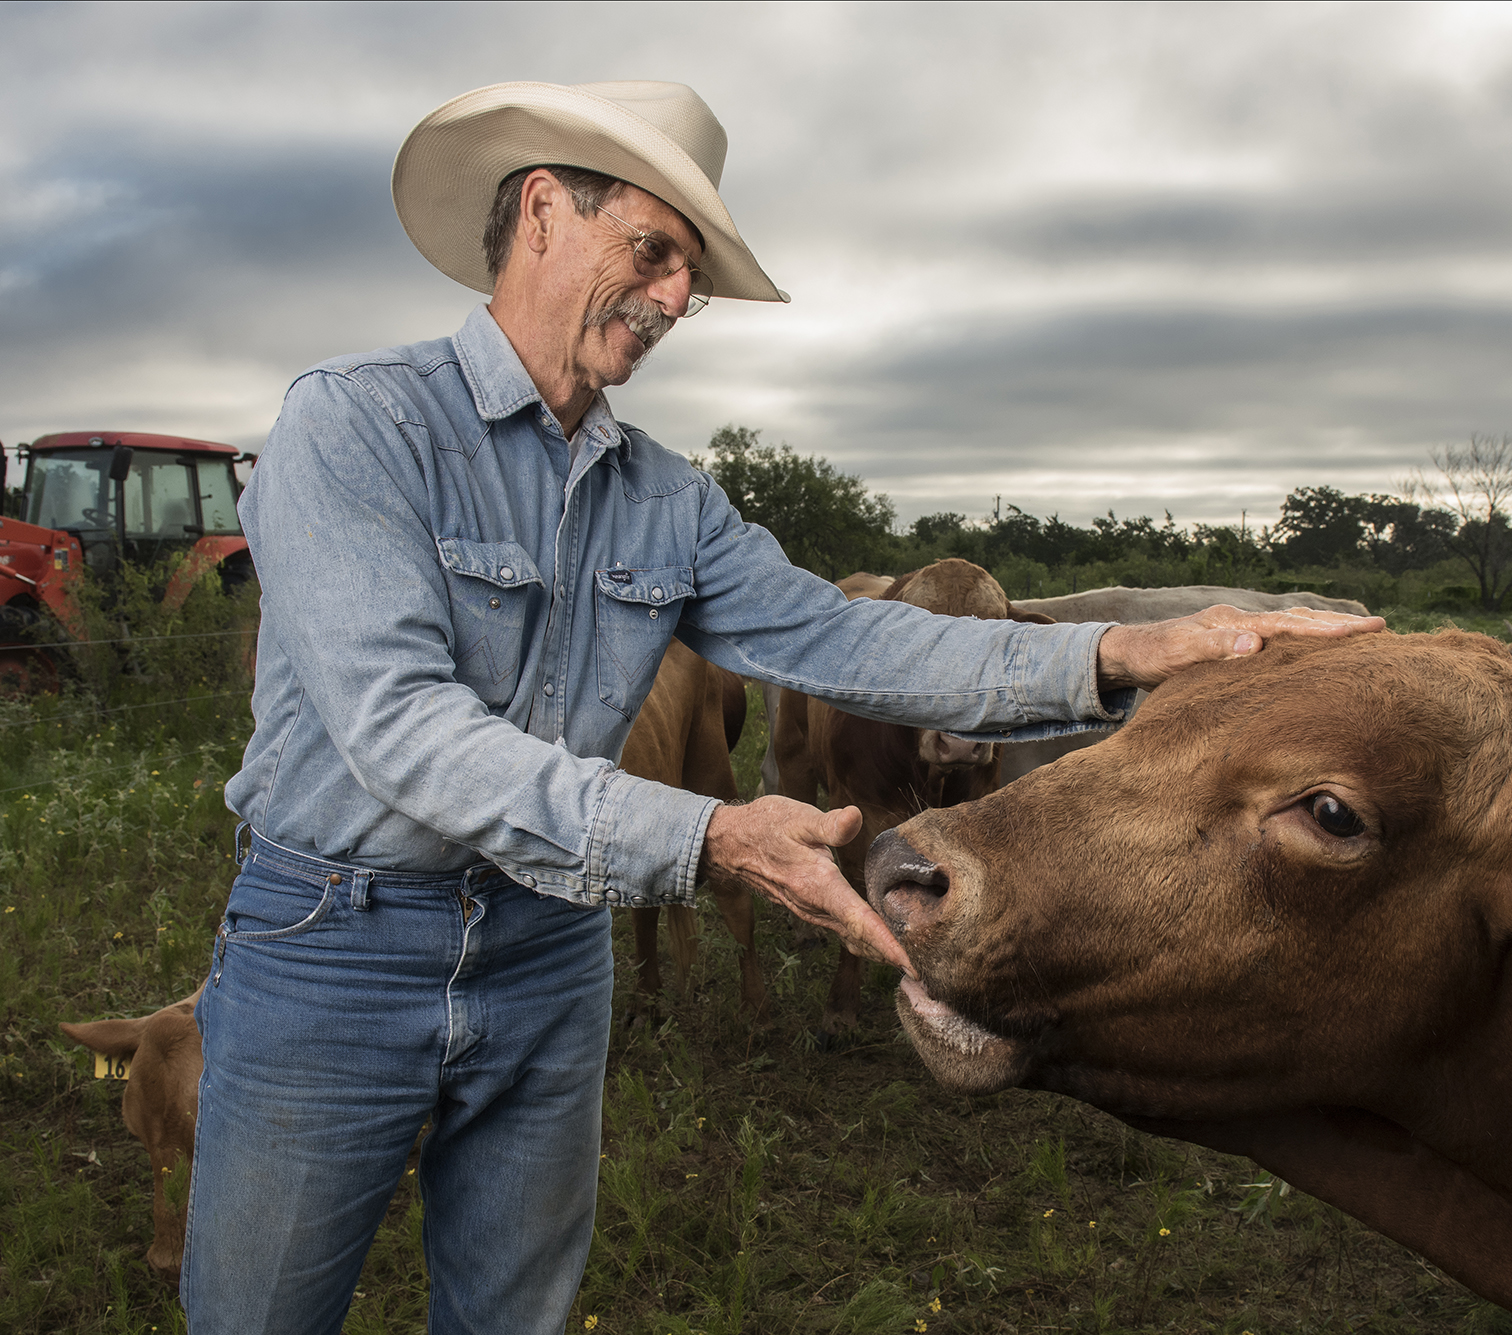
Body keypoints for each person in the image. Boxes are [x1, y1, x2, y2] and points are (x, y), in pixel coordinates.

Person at [185, 79, 1382, 1334]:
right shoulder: (355, 428)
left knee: (512, 1314)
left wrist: (1138, 649)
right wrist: (706, 836)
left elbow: (843, 634)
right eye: (648, 253)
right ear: (541, 211)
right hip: (335, 942)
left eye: (684, 281)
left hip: (547, 946)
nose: (667, 303)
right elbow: (401, 729)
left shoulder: (665, 500)